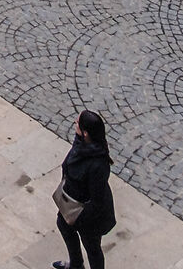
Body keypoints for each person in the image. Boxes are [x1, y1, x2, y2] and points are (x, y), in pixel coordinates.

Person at [51, 109, 115, 269]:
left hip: (87, 216)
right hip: (71, 204)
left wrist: (79, 219)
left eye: (78, 123)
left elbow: (97, 201)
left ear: (86, 133)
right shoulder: (81, 144)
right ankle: (76, 265)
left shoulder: (98, 165)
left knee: (92, 248)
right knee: (63, 225)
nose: (75, 123)